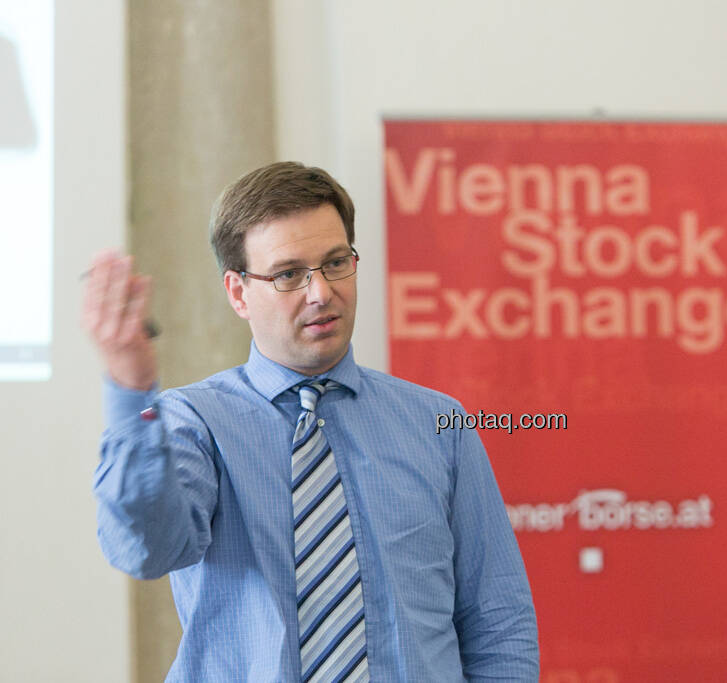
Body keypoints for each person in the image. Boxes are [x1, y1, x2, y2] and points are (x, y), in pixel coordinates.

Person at [83, 162, 539, 682]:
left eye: (335, 262)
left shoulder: (440, 424)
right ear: (238, 293)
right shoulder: (195, 423)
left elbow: (498, 621)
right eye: (288, 274)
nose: (320, 292)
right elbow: (144, 549)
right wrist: (131, 392)